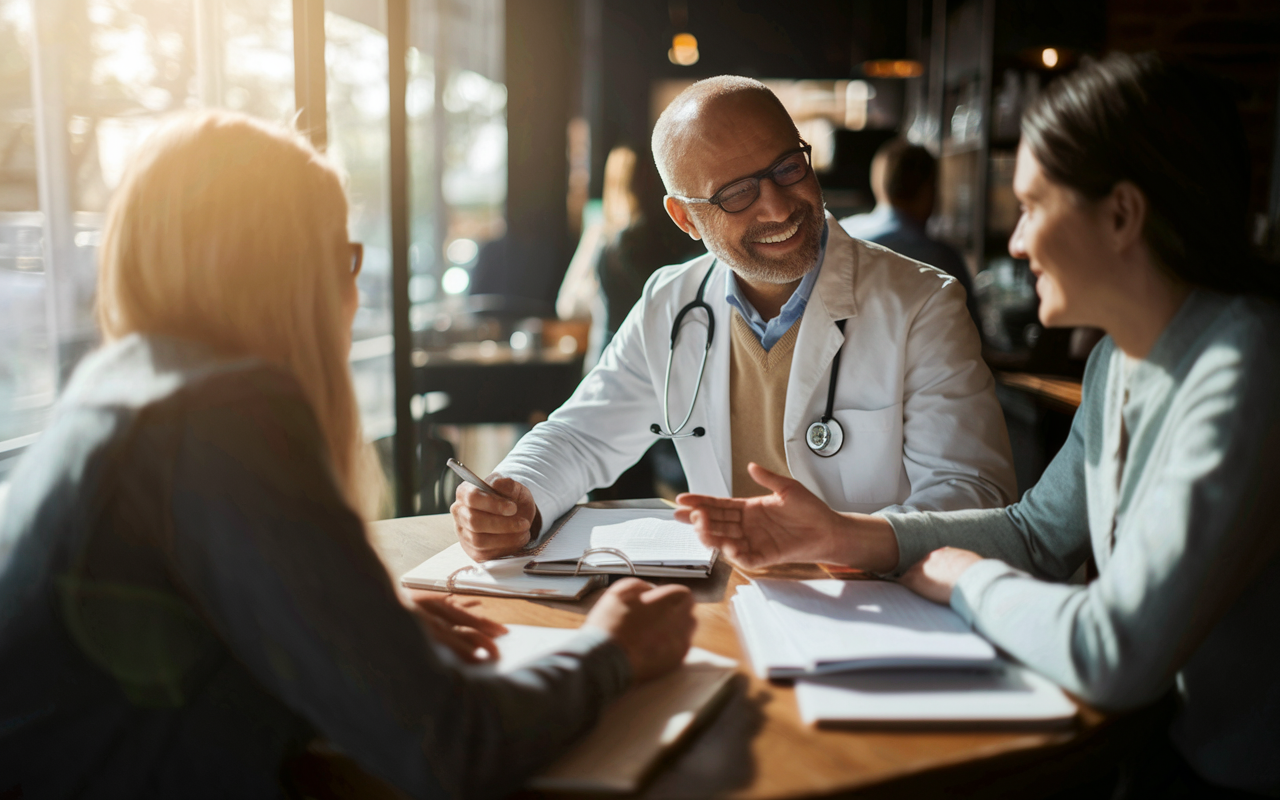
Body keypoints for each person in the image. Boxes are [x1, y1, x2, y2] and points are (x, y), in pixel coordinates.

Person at [0, 111, 696, 799]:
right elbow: (449, 746)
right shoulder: (224, 414)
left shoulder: (126, 384)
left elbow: (163, 627)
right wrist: (611, 652)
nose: (353, 290)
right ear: (290, 272)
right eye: (345, 255)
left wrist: (342, 623)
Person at [676, 53, 1280, 797]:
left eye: (1030, 207)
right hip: (1161, 749)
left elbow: (1117, 654)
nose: (1017, 242)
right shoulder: (1119, 362)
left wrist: (965, 577)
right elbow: (1036, 535)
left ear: (1122, 215)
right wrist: (846, 536)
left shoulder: (1248, 364)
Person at [452, 76, 1016, 562]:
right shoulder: (669, 301)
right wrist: (517, 494)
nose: (777, 207)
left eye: (788, 168)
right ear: (684, 218)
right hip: (737, 603)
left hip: (886, 613)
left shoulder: (922, 302)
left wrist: (845, 539)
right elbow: (579, 436)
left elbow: (975, 498)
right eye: (737, 194)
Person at [840, 139, 979, 326]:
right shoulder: (942, 260)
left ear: (879, 183)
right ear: (927, 189)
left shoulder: (844, 233)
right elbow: (971, 336)